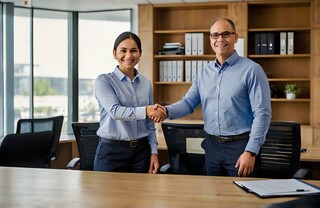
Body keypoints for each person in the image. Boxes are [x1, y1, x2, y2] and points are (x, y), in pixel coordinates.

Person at [151, 18, 271, 177]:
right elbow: (188, 103)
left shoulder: (252, 70)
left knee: (242, 199)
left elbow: (262, 114)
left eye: (225, 34)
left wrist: (251, 151)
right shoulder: (204, 72)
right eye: (215, 35)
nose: (220, 39)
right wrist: (165, 111)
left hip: (241, 148)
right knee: (214, 197)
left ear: (235, 37)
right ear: (210, 39)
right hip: (212, 147)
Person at [94, 31, 167, 174]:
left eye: (133, 50)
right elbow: (116, 111)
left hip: (141, 152)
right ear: (115, 53)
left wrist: (154, 152)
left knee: (140, 196)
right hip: (111, 153)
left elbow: (149, 123)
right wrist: (146, 110)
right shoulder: (104, 81)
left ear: (140, 54)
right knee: (107, 196)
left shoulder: (145, 83)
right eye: (123, 50)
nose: (128, 55)